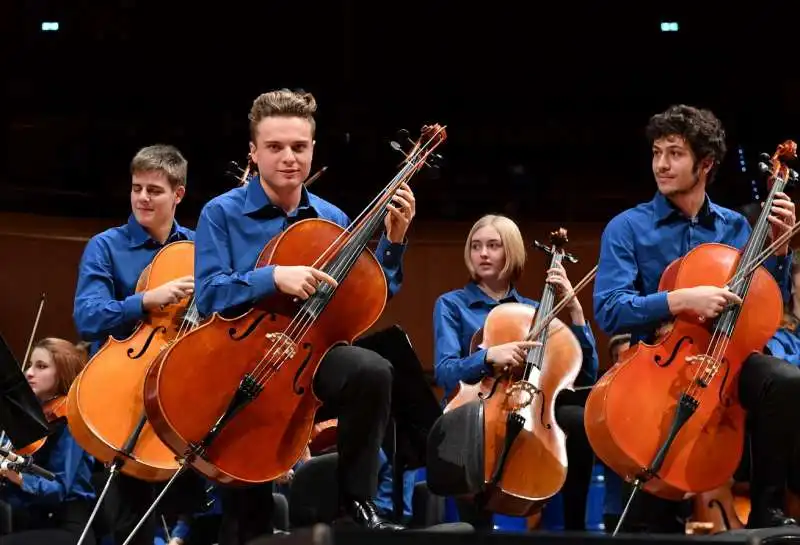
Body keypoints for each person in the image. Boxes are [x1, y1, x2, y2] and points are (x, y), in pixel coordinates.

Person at [192, 88, 415, 541]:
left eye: (299, 146)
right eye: (275, 147)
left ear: (313, 149)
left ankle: (357, 501)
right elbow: (211, 294)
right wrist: (274, 277)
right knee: (246, 516)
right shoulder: (221, 213)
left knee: (373, 370)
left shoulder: (331, 217)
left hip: (311, 359)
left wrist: (392, 243)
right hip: (243, 362)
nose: (289, 157)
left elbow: (367, 300)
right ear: (253, 153)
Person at [593, 104, 800, 530]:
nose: (661, 165)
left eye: (674, 153)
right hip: (657, 368)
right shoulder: (626, 227)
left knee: (784, 380)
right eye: (656, 153)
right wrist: (679, 300)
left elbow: (763, 308)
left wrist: (779, 254)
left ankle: (767, 506)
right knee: (647, 523)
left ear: (705, 164)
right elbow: (609, 308)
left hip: (724, 364)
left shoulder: (736, 228)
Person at [432, 213, 599, 531]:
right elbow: (445, 372)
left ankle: (576, 529)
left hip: (531, 411)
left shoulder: (535, 313)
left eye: (493, 246)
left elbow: (584, 378)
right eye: (476, 246)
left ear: (511, 252)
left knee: (577, 420)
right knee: (470, 432)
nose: (482, 253)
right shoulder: (452, 305)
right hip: (474, 413)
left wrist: (575, 310)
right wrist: (489, 357)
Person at [72, 144, 195, 545]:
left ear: (178, 194)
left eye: (154, 190)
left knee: (200, 515)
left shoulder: (200, 249)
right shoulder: (106, 246)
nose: (142, 197)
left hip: (182, 396)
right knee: (128, 524)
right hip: (121, 397)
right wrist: (144, 300)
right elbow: (87, 317)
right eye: (136, 188)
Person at [0, 338, 95, 544]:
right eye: (30, 365)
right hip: (32, 523)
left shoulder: (71, 423)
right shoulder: (28, 418)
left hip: (68, 529)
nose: (29, 372)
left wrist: (13, 474)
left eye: (41, 366)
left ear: (63, 372)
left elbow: (58, 489)